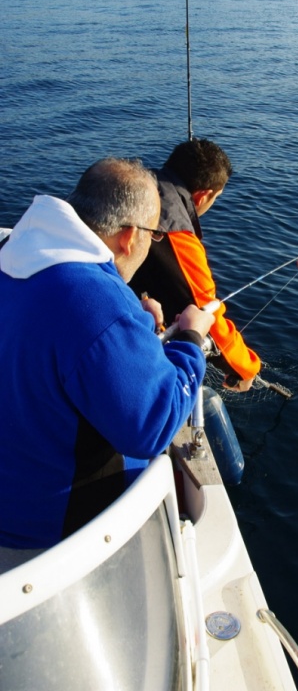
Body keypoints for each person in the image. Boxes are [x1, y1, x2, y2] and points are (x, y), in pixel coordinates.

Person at [0, 157, 214, 552]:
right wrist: (191, 339)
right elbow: (152, 426)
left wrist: (133, 319)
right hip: (50, 532)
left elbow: (64, 337)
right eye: (155, 234)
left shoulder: (14, 250)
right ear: (130, 236)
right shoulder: (95, 305)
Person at [129, 139, 261, 392]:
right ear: (203, 195)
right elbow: (205, 309)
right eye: (216, 198)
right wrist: (245, 367)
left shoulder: (136, 183)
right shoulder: (174, 231)